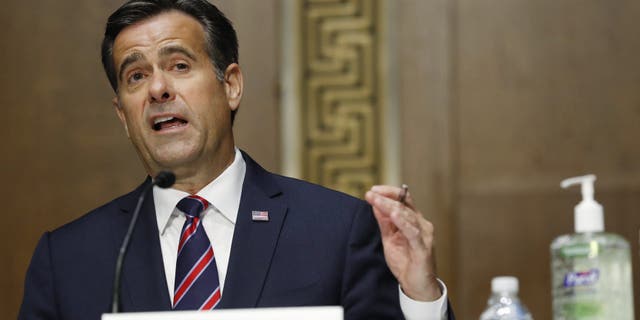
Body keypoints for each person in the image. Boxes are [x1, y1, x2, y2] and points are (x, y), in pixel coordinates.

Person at [18, 1, 453, 319]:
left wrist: (419, 296)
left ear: (231, 86)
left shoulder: (336, 230)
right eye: (136, 76)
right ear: (123, 115)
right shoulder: (69, 258)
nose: (157, 90)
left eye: (180, 65)